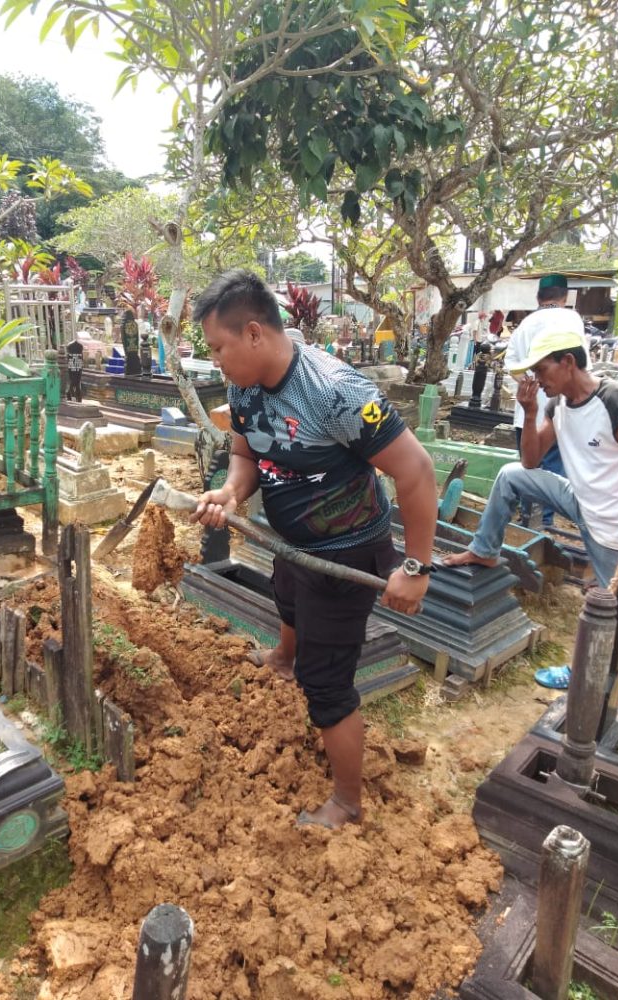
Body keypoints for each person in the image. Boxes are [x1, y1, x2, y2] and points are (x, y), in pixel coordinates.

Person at [190, 270, 437, 830]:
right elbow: (246, 455)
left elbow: (417, 470)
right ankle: (283, 656)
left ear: (254, 333)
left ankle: (347, 803)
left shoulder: (336, 391)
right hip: (295, 541)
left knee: (325, 683)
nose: (216, 361)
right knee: (289, 602)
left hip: (347, 552)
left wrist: (416, 566)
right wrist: (230, 492)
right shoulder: (244, 385)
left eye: (218, 348)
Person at [444, 328, 618, 590]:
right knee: (511, 475)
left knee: (615, 611)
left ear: (568, 362)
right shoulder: (558, 406)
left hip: (613, 521)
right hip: (579, 499)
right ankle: (484, 550)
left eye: (541, 370)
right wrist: (530, 414)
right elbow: (530, 462)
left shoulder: (613, 400)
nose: (538, 380)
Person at [504, 273, 587, 527]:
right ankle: (545, 521)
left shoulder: (527, 323)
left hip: (529, 407)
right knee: (551, 467)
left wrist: (533, 384)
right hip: (563, 407)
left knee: (529, 467)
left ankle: (528, 518)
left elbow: (512, 365)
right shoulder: (572, 319)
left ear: (539, 297)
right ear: (565, 296)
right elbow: (583, 365)